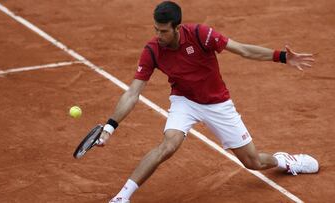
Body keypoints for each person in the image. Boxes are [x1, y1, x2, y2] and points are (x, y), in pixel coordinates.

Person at [96, 1, 318, 202]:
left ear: (177, 28)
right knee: (168, 145)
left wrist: (281, 56)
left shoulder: (201, 34)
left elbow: (241, 50)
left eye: (163, 31)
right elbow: (132, 93)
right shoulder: (152, 50)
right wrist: (110, 126)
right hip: (185, 101)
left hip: (217, 104)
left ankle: (284, 161)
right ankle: (122, 197)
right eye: (156, 29)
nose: (159, 35)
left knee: (253, 163)